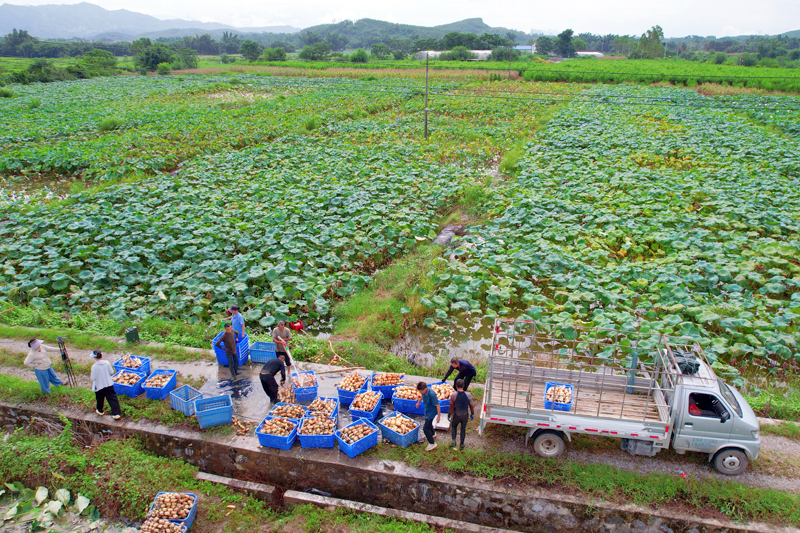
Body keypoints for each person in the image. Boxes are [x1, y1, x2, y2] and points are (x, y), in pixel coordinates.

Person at [90, 349, 121, 420]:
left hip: (99, 386)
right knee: (112, 398)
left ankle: (100, 410)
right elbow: (111, 371)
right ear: (101, 355)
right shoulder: (107, 363)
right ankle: (116, 413)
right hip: (108, 384)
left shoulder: (94, 366)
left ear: (94, 357)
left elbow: (93, 377)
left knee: (100, 399)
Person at [448, 378, 475, 450]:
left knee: (454, 426)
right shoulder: (468, 395)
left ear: (456, 386)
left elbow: (451, 406)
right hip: (465, 415)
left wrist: (449, 414)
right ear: (464, 386)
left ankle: (453, 442)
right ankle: (462, 444)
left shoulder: (454, 395)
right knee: (463, 429)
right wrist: (472, 413)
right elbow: (471, 405)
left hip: (457, 415)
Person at [415, 381, 441, 451]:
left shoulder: (432, 394)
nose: (420, 392)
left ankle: (432, 443)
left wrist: (439, 416)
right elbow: (422, 397)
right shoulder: (424, 392)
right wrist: (418, 402)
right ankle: (433, 433)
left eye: (420, 391)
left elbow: (437, 405)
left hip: (431, 412)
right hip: (427, 410)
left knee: (425, 428)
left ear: (425, 389)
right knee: (428, 424)